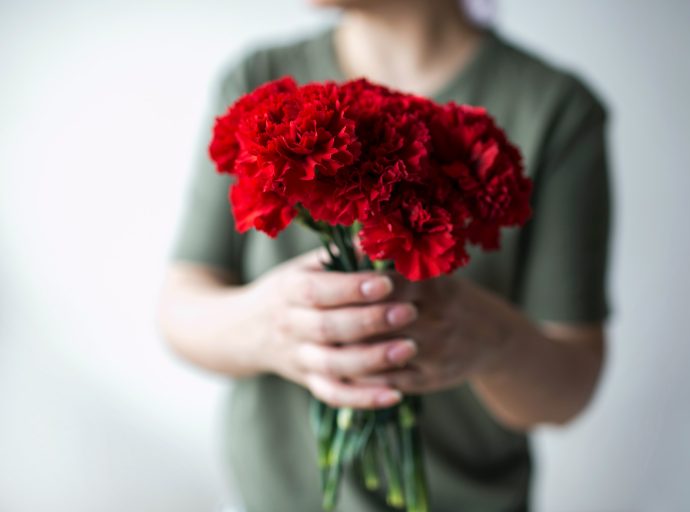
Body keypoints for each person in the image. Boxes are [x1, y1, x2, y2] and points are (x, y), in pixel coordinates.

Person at [157, 0, 612, 510]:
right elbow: (179, 309)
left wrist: (490, 338)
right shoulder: (260, 80)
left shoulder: (554, 108)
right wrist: (273, 326)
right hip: (274, 498)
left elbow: (571, 383)